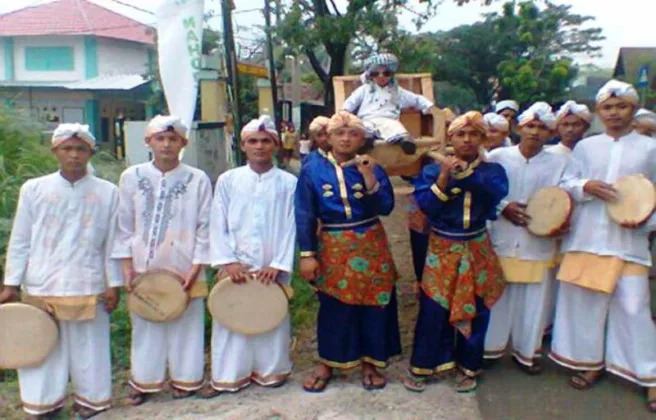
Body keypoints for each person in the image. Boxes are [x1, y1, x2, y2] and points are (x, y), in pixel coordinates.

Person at [548, 80, 656, 412]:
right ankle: (589, 361)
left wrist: (645, 221)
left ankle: (649, 376)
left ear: (633, 109)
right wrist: (586, 185)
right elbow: (565, 183)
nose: (614, 113)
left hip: (628, 240)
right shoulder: (586, 148)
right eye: (607, 107)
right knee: (585, 303)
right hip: (588, 237)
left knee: (635, 307)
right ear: (598, 112)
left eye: (621, 106)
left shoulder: (650, 149)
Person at [1, 123, 121, 419]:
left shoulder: (108, 192)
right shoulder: (34, 189)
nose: (74, 155)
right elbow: (21, 238)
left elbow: (114, 242)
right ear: (55, 151)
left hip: (88, 280)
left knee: (89, 348)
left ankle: (91, 403)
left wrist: (113, 283)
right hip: (43, 281)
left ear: (90, 151)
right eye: (67, 148)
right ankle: (44, 404)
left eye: (80, 149)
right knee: (43, 344)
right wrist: (11, 283)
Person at [403, 111, 509, 393]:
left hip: (477, 247)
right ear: (450, 138)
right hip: (442, 247)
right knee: (434, 308)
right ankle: (424, 366)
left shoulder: (492, 171)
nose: (467, 140)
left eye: (473, 134)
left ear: (483, 138)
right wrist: (445, 176)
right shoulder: (431, 170)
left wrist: (467, 174)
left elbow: (495, 193)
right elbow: (426, 205)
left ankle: (468, 367)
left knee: (477, 308)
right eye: (460, 134)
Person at [296, 111, 401, 392]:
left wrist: (368, 175)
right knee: (334, 304)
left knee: (374, 302)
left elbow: (386, 207)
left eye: (352, 133)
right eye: (339, 133)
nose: (345, 138)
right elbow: (304, 212)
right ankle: (328, 363)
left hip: (370, 242)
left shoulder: (372, 166)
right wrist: (307, 254)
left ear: (362, 138)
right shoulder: (312, 168)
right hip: (332, 243)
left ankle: (371, 362)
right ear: (328, 138)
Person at [111, 115, 212, 405]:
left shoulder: (197, 178)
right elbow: (124, 225)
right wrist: (127, 267)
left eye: (173, 139)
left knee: (187, 323)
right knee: (146, 324)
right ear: (149, 141)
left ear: (183, 143)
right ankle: (144, 381)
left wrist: (197, 266)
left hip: (185, 266)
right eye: (160, 138)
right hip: (144, 266)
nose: (167, 144)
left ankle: (187, 379)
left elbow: (205, 225)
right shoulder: (132, 177)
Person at [199, 115, 297, 397]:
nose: (259, 146)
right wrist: (227, 260)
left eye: (266, 141)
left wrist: (278, 263)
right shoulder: (229, 180)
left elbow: (291, 225)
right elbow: (218, 222)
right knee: (231, 315)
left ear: (275, 145)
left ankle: (271, 370)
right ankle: (230, 375)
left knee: (270, 314)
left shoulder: (288, 183)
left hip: (270, 266)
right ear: (243, 146)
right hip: (236, 265)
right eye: (253, 141)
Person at [483, 103, 569, 375]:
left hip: (538, 241)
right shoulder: (498, 157)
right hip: (502, 237)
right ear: (519, 127)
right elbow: (483, 191)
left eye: (542, 128)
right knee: (497, 297)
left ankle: (526, 353)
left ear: (551, 132)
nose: (535, 132)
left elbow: (568, 197)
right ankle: (489, 349)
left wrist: (555, 221)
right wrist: (503, 207)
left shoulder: (561, 162)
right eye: (530, 126)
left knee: (534, 302)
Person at [342, 53, 434, 155]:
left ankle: (406, 143)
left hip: (388, 119)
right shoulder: (364, 89)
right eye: (375, 73)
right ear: (370, 75)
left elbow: (415, 99)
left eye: (386, 73)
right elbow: (351, 101)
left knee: (395, 128)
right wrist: (345, 111)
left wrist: (428, 107)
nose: (381, 76)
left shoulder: (397, 91)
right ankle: (366, 143)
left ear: (391, 74)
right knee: (363, 129)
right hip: (366, 119)